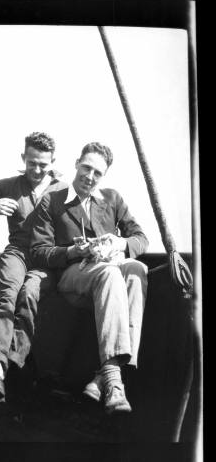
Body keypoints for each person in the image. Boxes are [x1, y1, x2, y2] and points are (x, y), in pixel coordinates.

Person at [30, 142, 149, 415]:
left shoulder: (112, 199)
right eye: (86, 167)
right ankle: (114, 380)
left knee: (137, 270)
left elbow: (141, 238)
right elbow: (38, 252)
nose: (90, 176)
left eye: (98, 172)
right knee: (110, 273)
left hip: (108, 275)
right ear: (76, 163)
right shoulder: (53, 201)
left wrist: (119, 244)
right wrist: (73, 250)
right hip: (73, 278)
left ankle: (104, 376)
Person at [0, 132, 67, 405]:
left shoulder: (64, 190)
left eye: (43, 164)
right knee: (7, 295)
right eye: (31, 162)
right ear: (24, 158)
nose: (36, 169)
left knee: (29, 295)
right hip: (17, 253)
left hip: (46, 259)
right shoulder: (9, 185)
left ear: (53, 161)